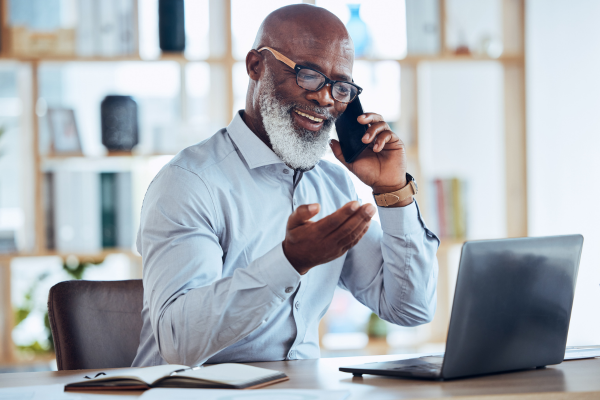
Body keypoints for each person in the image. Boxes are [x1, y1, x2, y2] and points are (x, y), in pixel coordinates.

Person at [132, 4, 439, 367]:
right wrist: (290, 261)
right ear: (255, 66)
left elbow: (411, 308)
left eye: (340, 87)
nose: (325, 98)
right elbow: (179, 344)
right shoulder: (190, 183)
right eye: (308, 75)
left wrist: (394, 194)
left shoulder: (333, 184)